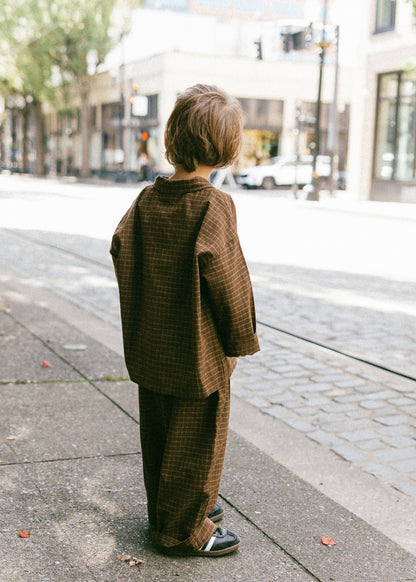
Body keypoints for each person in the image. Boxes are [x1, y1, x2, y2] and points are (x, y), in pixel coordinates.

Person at [110, 84, 259, 557]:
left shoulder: (146, 200)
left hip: (152, 346)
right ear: (226, 148)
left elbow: (121, 248)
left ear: (172, 139)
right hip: (199, 353)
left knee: (157, 436)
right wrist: (237, 341)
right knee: (198, 443)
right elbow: (228, 279)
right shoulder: (214, 205)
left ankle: (168, 511)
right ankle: (185, 530)